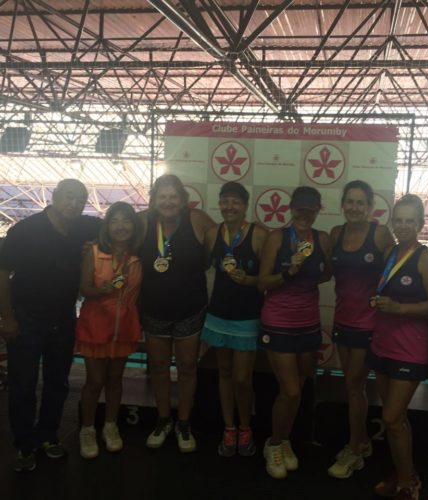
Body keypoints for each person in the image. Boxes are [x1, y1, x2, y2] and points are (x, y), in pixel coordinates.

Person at [0, 179, 101, 472]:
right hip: (26, 319)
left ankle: (47, 436)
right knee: (23, 384)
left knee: (58, 383)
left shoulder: (83, 227)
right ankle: (24, 444)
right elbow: (3, 273)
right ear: (54, 196)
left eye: (80, 199)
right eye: (68, 196)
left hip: (63, 319)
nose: (74, 203)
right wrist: (7, 317)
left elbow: (120, 224)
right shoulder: (25, 230)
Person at [367, 194, 428, 500]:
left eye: (410, 221)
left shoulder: (426, 258)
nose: (403, 226)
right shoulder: (390, 253)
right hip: (383, 344)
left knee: (392, 418)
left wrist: (400, 308)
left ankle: (409, 483)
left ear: (420, 224)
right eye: (398, 220)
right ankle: (403, 474)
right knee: (396, 419)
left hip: (411, 349)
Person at [258, 186, 332, 479]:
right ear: (291, 209)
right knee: (289, 390)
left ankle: (285, 438)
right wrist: (289, 271)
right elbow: (262, 282)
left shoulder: (322, 239)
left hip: (309, 321)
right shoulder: (277, 237)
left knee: (299, 387)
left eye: (310, 210)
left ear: (317, 211)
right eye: (300, 209)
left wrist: (312, 274)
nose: (304, 215)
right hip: (278, 320)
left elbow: (326, 273)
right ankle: (273, 444)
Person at [139, 174, 214, 453]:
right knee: (159, 367)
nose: (168, 202)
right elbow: (115, 239)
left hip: (189, 309)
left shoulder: (198, 220)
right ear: (153, 200)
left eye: (173, 197)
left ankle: (184, 422)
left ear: (183, 200)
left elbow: (223, 245)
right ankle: (163, 420)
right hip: (154, 309)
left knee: (187, 367)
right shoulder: (142, 222)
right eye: (162, 197)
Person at [327, 180, 394, 479]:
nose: (354, 208)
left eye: (360, 203)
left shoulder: (380, 234)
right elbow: (326, 271)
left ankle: (354, 449)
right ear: (343, 204)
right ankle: (362, 441)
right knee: (352, 386)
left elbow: (397, 272)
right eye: (350, 202)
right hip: (342, 319)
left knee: (355, 386)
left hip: (369, 323)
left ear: (370, 207)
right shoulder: (336, 233)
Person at [201, 182, 267, 458]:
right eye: (225, 201)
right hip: (219, 313)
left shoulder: (259, 234)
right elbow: (200, 264)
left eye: (236, 202)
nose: (230, 206)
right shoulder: (212, 233)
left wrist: (249, 280)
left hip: (247, 316)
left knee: (242, 379)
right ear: (219, 204)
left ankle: (245, 426)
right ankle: (229, 427)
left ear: (245, 206)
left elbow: (267, 279)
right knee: (225, 373)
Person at [76, 202, 142, 459]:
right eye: (114, 221)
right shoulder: (93, 252)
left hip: (124, 328)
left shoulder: (139, 256)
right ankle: (87, 429)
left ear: (134, 226)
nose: (120, 226)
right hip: (95, 327)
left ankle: (110, 426)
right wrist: (99, 291)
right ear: (107, 226)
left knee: (115, 380)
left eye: (126, 221)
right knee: (95, 381)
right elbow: (84, 288)